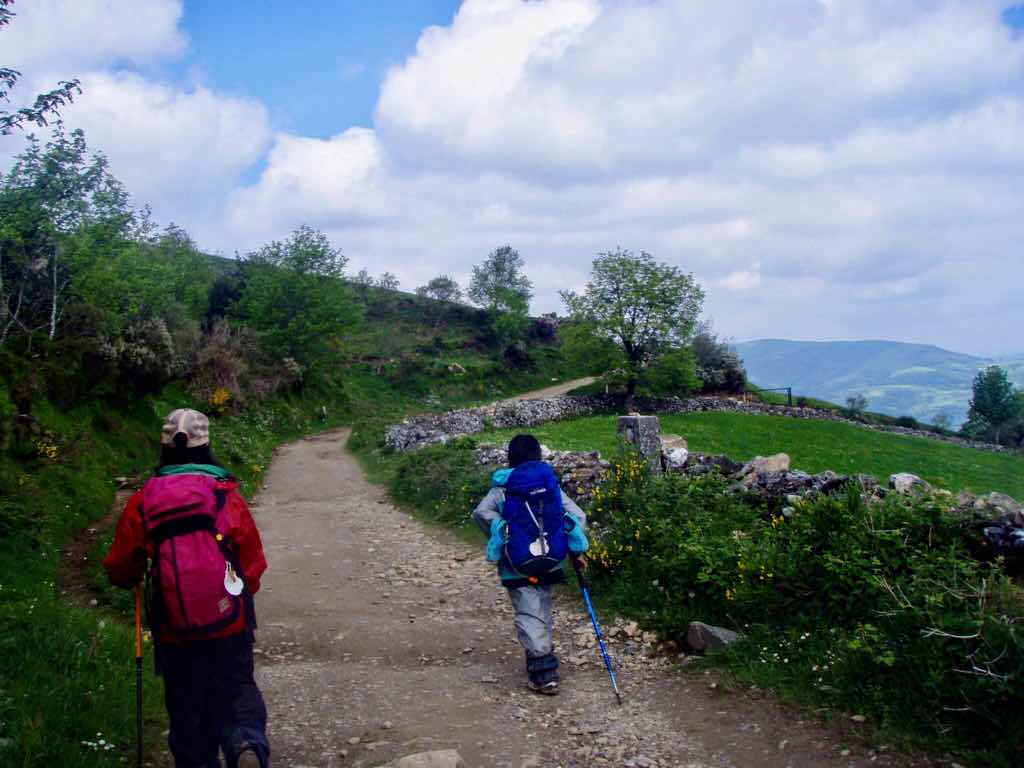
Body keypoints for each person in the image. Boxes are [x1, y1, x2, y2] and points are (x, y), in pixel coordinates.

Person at [103, 408, 270, 768]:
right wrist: (236, 596)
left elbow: (119, 566)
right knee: (237, 686)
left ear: (164, 446)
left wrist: (130, 577)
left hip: (174, 627)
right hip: (229, 622)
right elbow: (253, 561)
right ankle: (245, 742)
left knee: (186, 705)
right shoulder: (224, 492)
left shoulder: (144, 499)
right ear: (206, 445)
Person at [473, 433, 589, 695]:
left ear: (510, 458)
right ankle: (543, 652)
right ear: (538, 456)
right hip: (551, 560)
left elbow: (481, 512)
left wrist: (501, 533)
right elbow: (576, 516)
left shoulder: (503, 486)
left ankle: (543, 672)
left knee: (528, 611)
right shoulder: (549, 485)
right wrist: (574, 549)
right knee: (543, 607)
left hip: (516, 565)